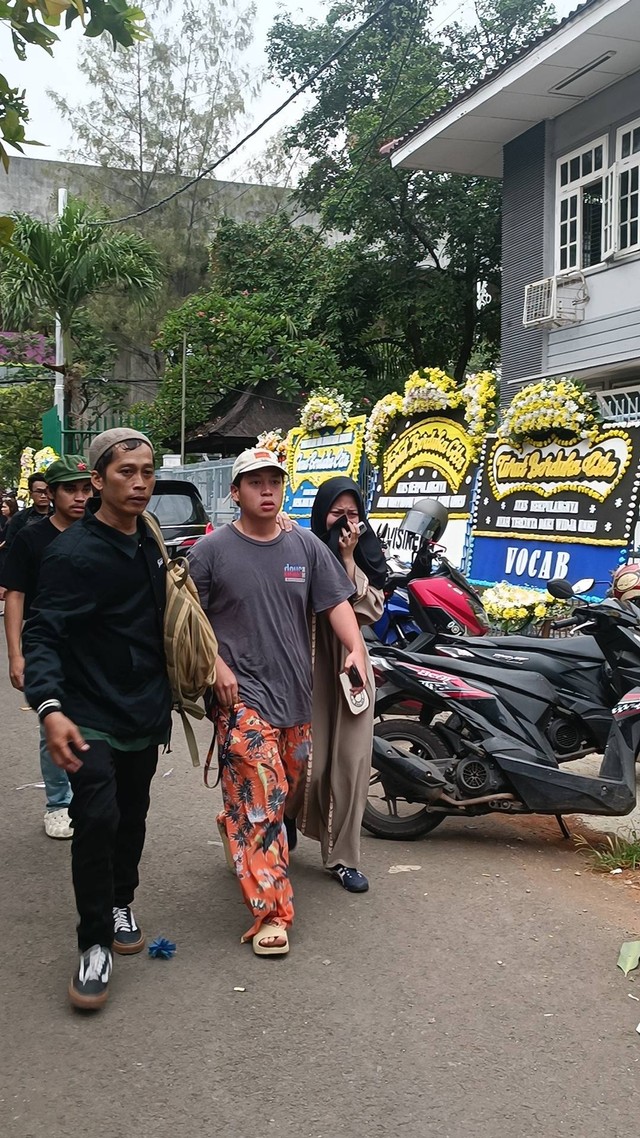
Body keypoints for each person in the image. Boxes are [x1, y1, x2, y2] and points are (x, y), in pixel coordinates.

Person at [189, 448, 367, 957]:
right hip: (241, 698)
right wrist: (217, 669)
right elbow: (187, 622)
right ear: (236, 491)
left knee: (286, 790)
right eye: (255, 482)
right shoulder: (212, 552)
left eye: (274, 481)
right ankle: (272, 913)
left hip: (296, 698)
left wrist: (354, 647)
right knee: (264, 799)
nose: (267, 490)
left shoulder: (305, 546)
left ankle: (235, 822)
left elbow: (335, 602)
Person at [22, 428, 172, 1011]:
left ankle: (120, 899)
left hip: (143, 708)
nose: (139, 483)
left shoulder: (152, 541)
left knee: (132, 814)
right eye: (125, 472)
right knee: (98, 818)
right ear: (96, 481)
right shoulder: (70, 554)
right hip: (87, 714)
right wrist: (50, 707)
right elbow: (43, 635)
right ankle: (93, 944)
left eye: (147, 471)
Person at [291, 477, 385, 892]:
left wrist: (347, 559)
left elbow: (367, 611)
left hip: (351, 669)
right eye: (337, 513)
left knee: (350, 765)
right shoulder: (300, 551)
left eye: (353, 513)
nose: (345, 522)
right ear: (320, 513)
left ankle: (344, 857)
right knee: (307, 766)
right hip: (307, 666)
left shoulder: (365, 554)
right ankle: (287, 817)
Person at [3, 456, 93, 839]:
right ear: (51, 494)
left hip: (93, 649)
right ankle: (58, 803)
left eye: (85, 489)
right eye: (70, 489)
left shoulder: (101, 531)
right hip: (48, 648)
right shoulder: (32, 538)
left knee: (94, 725)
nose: (79, 497)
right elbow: (16, 596)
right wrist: (15, 655)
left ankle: (90, 798)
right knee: (51, 722)